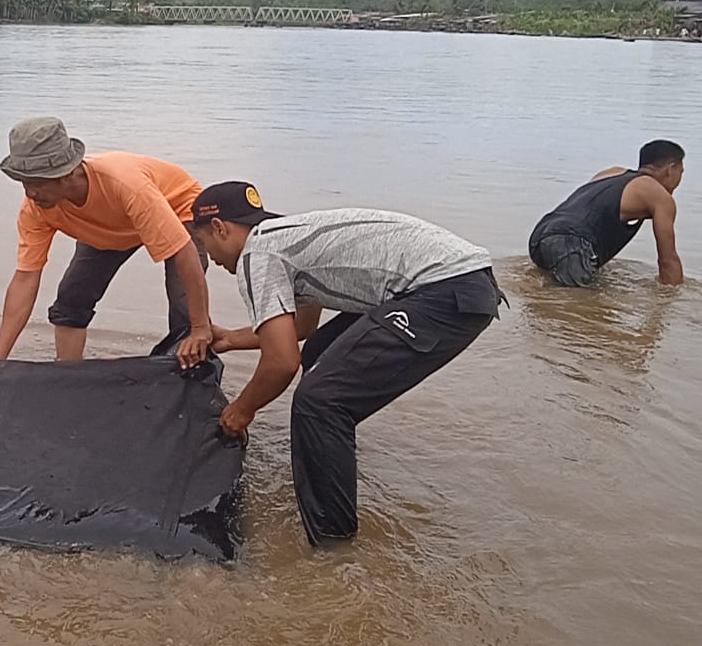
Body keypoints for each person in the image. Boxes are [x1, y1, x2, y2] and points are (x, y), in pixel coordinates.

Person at [192, 181, 504, 546]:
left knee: (320, 400)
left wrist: (240, 411)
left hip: (441, 289)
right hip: (461, 284)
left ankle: (332, 545)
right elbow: (303, 329)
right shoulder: (285, 238)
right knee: (321, 356)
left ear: (219, 228)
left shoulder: (257, 255)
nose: (210, 258)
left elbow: (281, 363)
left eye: (204, 244)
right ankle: (332, 458)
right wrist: (229, 338)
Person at [0, 116, 213, 369]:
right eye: (24, 183)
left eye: (38, 183)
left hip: (176, 208)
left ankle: (192, 379)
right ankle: (68, 372)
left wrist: (201, 327)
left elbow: (185, 253)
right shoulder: (36, 207)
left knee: (186, 314)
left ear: (68, 174)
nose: (30, 193)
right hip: (108, 226)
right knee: (70, 301)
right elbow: (25, 279)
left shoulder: (126, 186)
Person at [529, 140, 685, 287]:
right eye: (681, 172)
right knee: (577, 308)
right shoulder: (659, 196)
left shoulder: (612, 172)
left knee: (554, 293)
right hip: (571, 243)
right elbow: (667, 260)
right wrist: (672, 303)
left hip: (541, 234)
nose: (679, 180)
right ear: (670, 169)